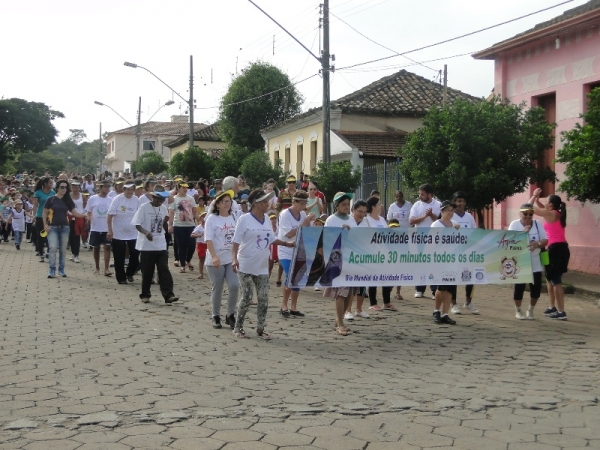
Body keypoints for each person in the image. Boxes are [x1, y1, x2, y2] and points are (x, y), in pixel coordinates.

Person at [232, 189, 293, 339]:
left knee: (264, 297)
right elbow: (235, 242)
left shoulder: (266, 219)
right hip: (245, 264)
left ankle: (260, 328)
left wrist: (286, 243)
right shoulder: (244, 219)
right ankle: (238, 327)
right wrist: (234, 259)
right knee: (247, 296)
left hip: (262, 266)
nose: (268, 204)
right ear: (256, 203)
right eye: (265, 202)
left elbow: (271, 239)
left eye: (268, 201)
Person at [131, 185, 179, 304]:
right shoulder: (144, 207)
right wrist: (146, 232)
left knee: (164, 269)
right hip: (147, 245)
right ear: (153, 197)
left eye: (162, 200)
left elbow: (163, 221)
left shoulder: (163, 208)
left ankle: (168, 295)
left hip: (160, 244)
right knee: (147, 271)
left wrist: (166, 225)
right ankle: (145, 294)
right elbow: (137, 224)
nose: (160, 202)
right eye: (158, 199)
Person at [529, 188, 570, 320]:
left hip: (557, 250)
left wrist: (534, 196)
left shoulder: (552, 214)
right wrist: (538, 199)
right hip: (551, 249)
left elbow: (530, 208)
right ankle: (551, 306)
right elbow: (541, 207)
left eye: (546, 201)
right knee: (548, 278)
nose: (544, 202)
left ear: (551, 205)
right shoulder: (555, 213)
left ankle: (561, 311)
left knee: (556, 280)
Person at [324, 192, 358, 336]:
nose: (346, 206)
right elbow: (327, 238)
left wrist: (350, 233)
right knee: (341, 292)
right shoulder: (331, 220)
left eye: (347, 204)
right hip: (337, 259)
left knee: (350, 292)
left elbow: (356, 238)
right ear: (336, 205)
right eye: (343, 204)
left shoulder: (351, 220)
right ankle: (340, 323)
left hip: (350, 258)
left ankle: (339, 319)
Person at [205, 190, 239, 329]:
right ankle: (215, 315)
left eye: (229, 202)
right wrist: (214, 256)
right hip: (216, 259)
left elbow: (238, 237)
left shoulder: (234, 217)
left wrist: (236, 256)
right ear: (217, 204)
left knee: (234, 285)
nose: (227, 204)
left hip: (230, 258)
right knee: (217, 287)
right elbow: (208, 239)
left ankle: (230, 315)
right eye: (224, 202)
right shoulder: (212, 219)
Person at [278, 190, 314, 318]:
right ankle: (284, 304)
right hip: (286, 250)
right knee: (290, 276)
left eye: (305, 203)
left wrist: (309, 223)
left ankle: (293, 306)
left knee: (297, 278)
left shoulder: (303, 214)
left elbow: (306, 231)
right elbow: (288, 234)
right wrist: (303, 224)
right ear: (294, 202)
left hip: (299, 250)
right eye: (301, 203)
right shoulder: (285, 214)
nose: (303, 206)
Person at [508, 203, 548, 320]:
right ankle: (518, 310)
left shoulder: (537, 224)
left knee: (536, 289)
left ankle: (530, 310)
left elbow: (545, 240)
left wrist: (539, 244)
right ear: (520, 213)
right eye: (525, 214)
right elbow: (509, 241)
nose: (528, 216)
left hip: (535, 262)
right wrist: (523, 234)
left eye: (530, 214)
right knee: (519, 287)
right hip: (520, 262)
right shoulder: (514, 224)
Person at [42, 179, 87, 278]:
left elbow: (75, 213)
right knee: (53, 248)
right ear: (57, 188)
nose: (64, 189)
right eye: (62, 187)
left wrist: (85, 215)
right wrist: (45, 225)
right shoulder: (51, 199)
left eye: (66, 187)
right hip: (52, 227)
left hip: (65, 227)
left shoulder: (68, 200)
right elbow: (45, 212)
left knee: (63, 249)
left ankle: (61, 269)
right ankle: (52, 270)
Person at [364, 196, 397, 312]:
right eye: (379, 204)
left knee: (386, 276)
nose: (381, 205)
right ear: (373, 207)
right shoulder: (367, 220)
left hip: (384, 253)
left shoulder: (382, 220)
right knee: (373, 277)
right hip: (372, 253)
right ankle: (373, 302)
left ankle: (386, 302)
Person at [431, 200, 461, 325]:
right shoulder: (436, 225)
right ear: (442, 211)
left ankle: (445, 313)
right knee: (441, 287)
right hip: (441, 260)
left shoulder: (454, 224)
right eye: (448, 210)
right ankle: (436, 311)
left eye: (452, 210)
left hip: (452, 260)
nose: (450, 212)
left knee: (450, 289)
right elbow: (433, 242)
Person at [409, 183, 441, 299]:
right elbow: (411, 221)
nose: (420, 196)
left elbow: (440, 220)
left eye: (422, 194)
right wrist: (424, 216)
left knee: (433, 262)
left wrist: (431, 214)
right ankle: (419, 288)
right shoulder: (417, 205)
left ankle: (434, 289)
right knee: (421, 261)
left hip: (434, 236)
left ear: (429, 195)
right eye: (420, 193)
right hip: (420, 236)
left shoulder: (438, 204)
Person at [450, 191, 479, 315]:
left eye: (463, 201)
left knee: (470, 277)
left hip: (468, 251)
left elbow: (474, 233)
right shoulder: (450, 216)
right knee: (453, 278)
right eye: (458, 201)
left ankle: (468, 302)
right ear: (454, 202)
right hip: (454, 252)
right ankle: (454, 304)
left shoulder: (469, 217)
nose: (461, 203)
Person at [108, 181, 140, 285]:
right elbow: (110, 215)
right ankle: (121, 278)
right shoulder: (117, 199)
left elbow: (140, 216)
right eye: (128, 189)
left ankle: (130, 273)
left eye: (132, 189)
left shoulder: (136, 200)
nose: (130, 192)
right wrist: (110, 230)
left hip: (133, 233)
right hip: (118, 233)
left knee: (135, 254)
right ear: (124, 189)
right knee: (119, 257)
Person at [168, 181, 199, 273]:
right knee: (181, 246)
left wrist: (200, 220)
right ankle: (182, 265)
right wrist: (170, 225)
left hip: (190, 225)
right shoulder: (174, 199)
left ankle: (188, 260)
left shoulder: (191, 198)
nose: (185, 189)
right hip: (178, 225)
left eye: (186, 188)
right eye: (183, 188)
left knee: (192, 245)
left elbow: (194, 211)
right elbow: (171, 212)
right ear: (178, 189)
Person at [86, 180, 114, 276]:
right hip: (95, 227)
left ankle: (106, 269)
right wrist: (88, 218)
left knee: (107, 247)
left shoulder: (111, 200)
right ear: (100, 187)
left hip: (106, 227)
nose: (106, 189)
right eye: (104, 186)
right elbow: (89, 211)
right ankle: (97, 268)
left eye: (108, 187)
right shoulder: (93, 198)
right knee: (96, 248)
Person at [32, 177, 55, 262]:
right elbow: (35, 205)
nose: (51, 185)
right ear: (45, 184)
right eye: (50, 183)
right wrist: (33, 215)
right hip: (40, 216)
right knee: (41, 235)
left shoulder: (53, 192)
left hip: (50, 217)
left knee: (50, 235)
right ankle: (41, 253)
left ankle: (49, 251)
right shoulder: (38, 193)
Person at [68, 179, 86, 263]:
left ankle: (76, 254)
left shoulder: (82, 196)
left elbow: (85, 206)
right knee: (71, 236)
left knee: (77, 236)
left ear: (79, 187)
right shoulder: (68, 195)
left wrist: (85, 216)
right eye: (73, 186)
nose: (75, 187)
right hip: (70, 218)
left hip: (79, 217)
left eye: (76, 186)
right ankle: (72, 253)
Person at [191, 211, 207, 279]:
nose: (205, 218)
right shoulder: (199, 227)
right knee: (201, 259)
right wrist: (198, 235)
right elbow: (192, 235)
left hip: (209, 244)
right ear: (201, 218)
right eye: (203, 216)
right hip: (201, 244)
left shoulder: (211, 226)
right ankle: (201, 273)